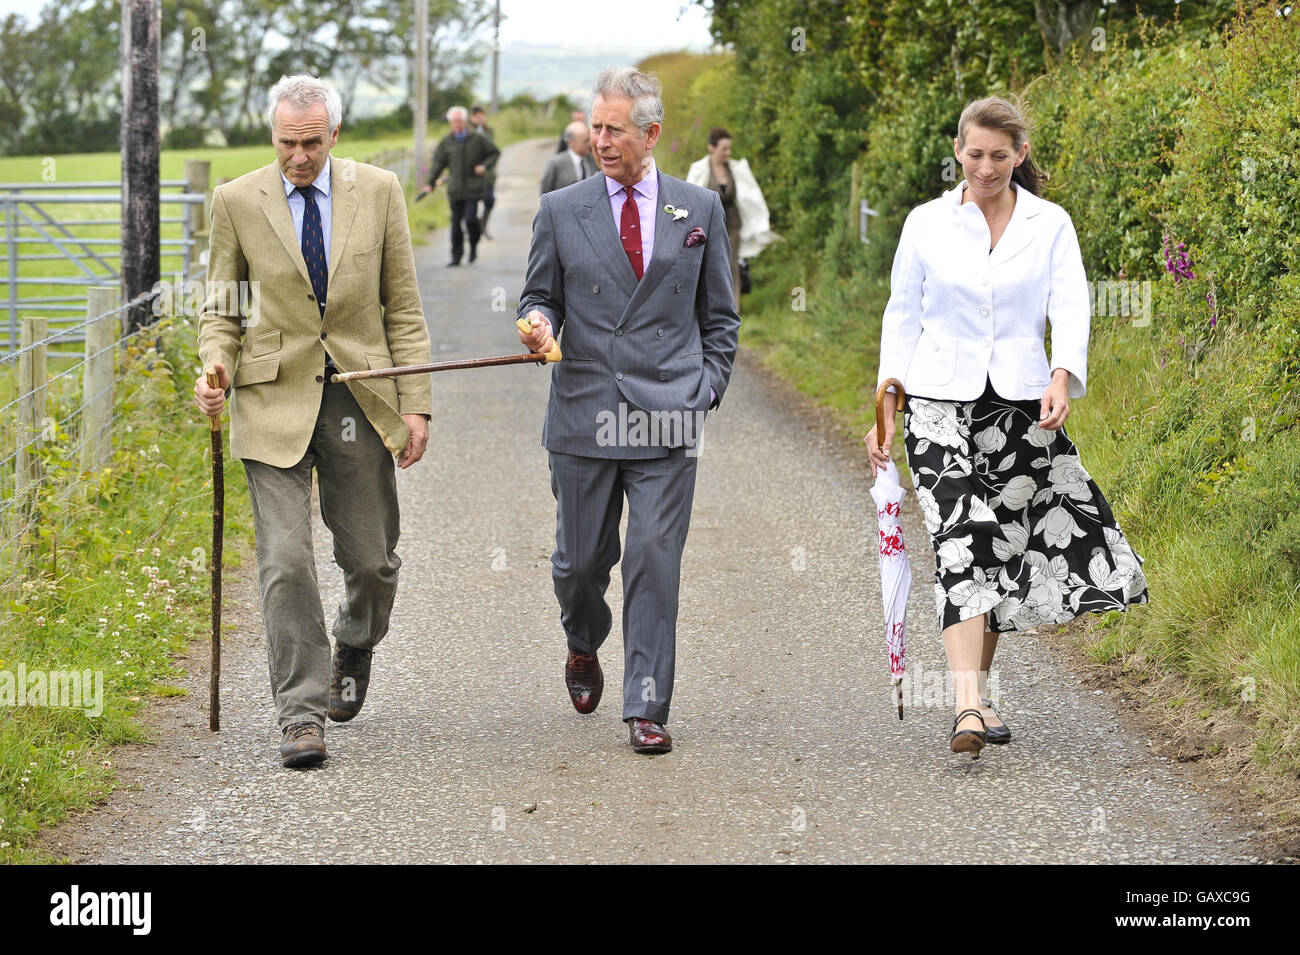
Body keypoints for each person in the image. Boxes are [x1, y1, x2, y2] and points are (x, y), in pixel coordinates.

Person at [865, 95, 1148, 759]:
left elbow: (1070, 303)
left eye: (999, 155)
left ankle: (977, 693)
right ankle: (966, 703)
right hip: (935, 402)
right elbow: (901, 315)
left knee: (997, 550)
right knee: (960, 537)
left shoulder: (1050, 224)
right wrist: (885, 403)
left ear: (1019, 154)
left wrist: (1061, 375)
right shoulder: (926, 223)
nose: (985, 166)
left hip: (1021, 408)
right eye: (974, 153)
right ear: (958, 151)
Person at [193, 75, 432, 769]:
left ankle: (355, 640)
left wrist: (414, 401)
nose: (298, 157)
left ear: (335, 135)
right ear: (274, 137)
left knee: (373, 559)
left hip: (359, 396)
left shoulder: (381, 192)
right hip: (271, 401)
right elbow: (222, 310)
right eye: (285, 143)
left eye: (310, 143)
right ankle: (300, 714)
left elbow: (404, 307)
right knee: (285, 562)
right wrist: (215, 368)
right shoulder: (236, 201)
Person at [517, 67, 739, 754]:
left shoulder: (699, 209)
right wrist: (536, 324)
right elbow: (538, 296)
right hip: (584, 408)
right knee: (581, 563)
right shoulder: (562, 208)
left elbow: (721, 320)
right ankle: (583, 639)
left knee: (653, 556)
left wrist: (703, 391)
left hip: (668, 414)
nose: (600, 140)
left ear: (652, 132)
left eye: (614, 129)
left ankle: (646, 703)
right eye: (596, 126)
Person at [686, 127, 776, 313]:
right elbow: (690, 198)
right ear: (712, 147)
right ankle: (706, 308)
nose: (728, 153)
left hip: (732, 224)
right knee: (707, 265)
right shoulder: (700, 170)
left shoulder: (736, 169)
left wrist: (762, 222)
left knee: (731, 266)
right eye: (724, 149)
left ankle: (733, 309)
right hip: (708, 225)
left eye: (729, 149)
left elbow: (752, 196)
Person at [419, 105, 500, 266]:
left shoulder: (478, 138)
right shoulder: (446, 142)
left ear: (465, 121)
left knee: (470, 220)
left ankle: (473, 246)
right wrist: (429, 184)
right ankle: (456, 257)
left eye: (459, 121)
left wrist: (484, 166)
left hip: (473, 188)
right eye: (454, 121)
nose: (457, 124)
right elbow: (437, 164)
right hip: (455, 189)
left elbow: (494, 152)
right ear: (450, 122)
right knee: (456, 224)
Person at [540, 121, 597, 194]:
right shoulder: (556, 163)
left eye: (590, 139)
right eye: (585, 141)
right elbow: (545, 191)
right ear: (571, 142)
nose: (589, 144)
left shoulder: (594, 159)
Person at [469, 105, 497, 239]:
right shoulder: (467, 131)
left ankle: (483, 226)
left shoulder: (489, 131)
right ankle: (473, 228)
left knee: (490, 200)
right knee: (471, 205)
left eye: (482, 116)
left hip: (487, 174)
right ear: (472, 117)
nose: (480, 119)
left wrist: (487, 165)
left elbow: (493, 150)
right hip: (472, 175)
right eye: (477, 116)